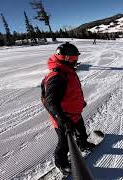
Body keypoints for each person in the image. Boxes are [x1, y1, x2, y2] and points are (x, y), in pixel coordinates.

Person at [41, 42, 95, 173]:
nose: (76, 61)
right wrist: (61, 118)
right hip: (63, 118)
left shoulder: (67, 70)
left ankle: (82, 144)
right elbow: (50, 101)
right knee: (64, 142)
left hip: (74, 113)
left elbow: (72, 91)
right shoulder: (57, 76)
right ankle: (61, 163)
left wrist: (79, 103)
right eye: (74, 59)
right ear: (66, 58)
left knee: (81, 130)